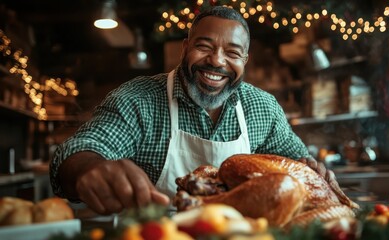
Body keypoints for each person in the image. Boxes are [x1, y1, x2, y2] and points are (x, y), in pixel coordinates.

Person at [50, 6, 334, 215]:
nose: (216, 61)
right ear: (185, 48)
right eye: (204, 46)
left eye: (232, 53)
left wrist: (313, 170)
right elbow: (81, 149)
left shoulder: (263, 107)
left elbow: (295, 162)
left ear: (245, 59)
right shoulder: (138, 100)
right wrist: (89, 168)